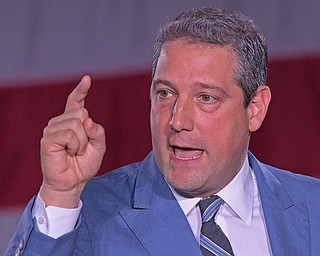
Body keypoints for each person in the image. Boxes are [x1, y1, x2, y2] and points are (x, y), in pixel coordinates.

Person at [6, 6, 320, 256]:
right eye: (165, 94)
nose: (177, 120)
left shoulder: (312, 206)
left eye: (206, 98)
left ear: (255, 108)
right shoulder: (86, 215)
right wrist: (59, 195)